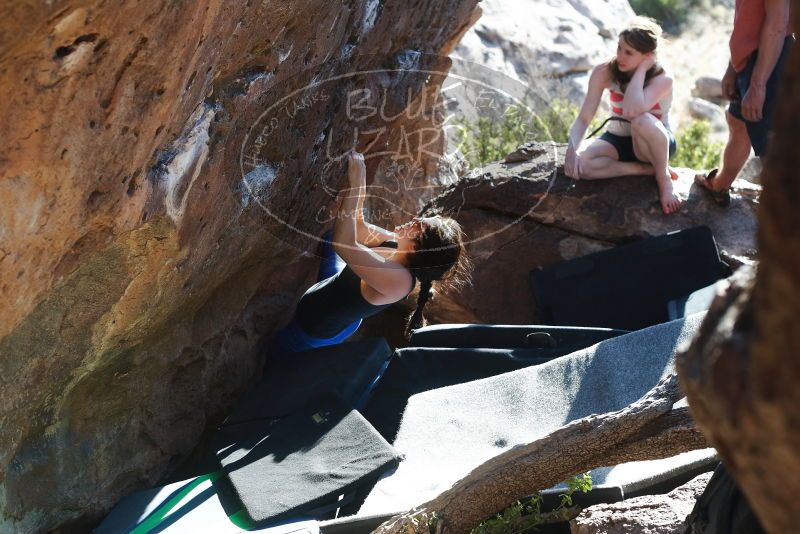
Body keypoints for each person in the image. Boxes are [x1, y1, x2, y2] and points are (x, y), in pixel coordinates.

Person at [273, 151, 469, 353]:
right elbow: (357, 227)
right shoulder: (399, 244)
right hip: (336, 293)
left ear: (418, 246)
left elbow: (345, 243)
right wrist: (360, 183)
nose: (414, 219)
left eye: (419, 225)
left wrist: (356, 183)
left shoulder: (399, 282)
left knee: (272, 358)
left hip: (312, 331)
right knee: (329, 238)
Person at [565, 17, 681, 215]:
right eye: (619, 48)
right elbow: (585, 117)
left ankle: (663, 177)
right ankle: (642, 170)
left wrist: (642, 70)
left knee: (641, 119)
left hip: (652, 143)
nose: (620, 56)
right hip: (617, 140)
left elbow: (631, 110)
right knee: (580, 166)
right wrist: (572, 149)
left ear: (648, 56)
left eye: (629, 52)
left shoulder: (663, 78)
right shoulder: (604, 72)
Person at [694, 0, 793, 206]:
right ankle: (719, 185)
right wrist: (733, 68)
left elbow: (776, 24)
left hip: (770, 60)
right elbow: (748, 17)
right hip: (753, 60)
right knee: (738, 124)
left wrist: (758, 85)